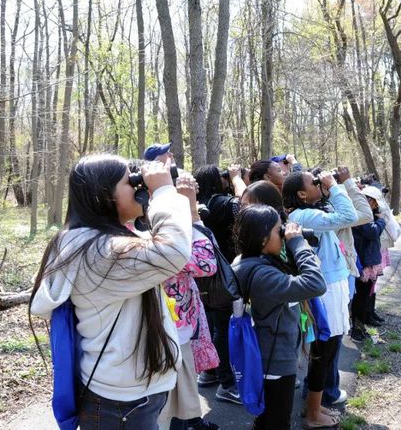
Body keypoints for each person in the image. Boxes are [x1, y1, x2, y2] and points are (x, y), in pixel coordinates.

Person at [30, 155, 192, 429]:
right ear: (105, 196)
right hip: (122, 404)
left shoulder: (92, 242)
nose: (138, 186)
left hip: (125, 396)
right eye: (131, 182)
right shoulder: (97, 253)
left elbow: (153, 245)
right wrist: (164, 191)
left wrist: (150, 200)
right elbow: (173, 251)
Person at [232, 205, 326, 430]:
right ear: (263, 238)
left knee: (267, 418)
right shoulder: (263, 275)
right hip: (274, 362)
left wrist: (294, 246)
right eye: (278, 230)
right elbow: (315, 283)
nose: (283, 234)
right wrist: (297, 243)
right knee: (277, 421)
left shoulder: (247, 261)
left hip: (267, 355)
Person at [282, 171, 358, 429]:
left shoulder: (311, 211)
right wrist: (335, 186)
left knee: (330, 348)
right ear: (302, 194)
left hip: (331, 285)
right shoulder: (303, 216)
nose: (320, 184)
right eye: (314, 183)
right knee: (323, 351)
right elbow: (349, 216)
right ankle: (312, 414)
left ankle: (316, 406)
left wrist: (329, 190)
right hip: (325, 289)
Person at [159, 174, 220, 430]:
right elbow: (207, 261)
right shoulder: (157, 234)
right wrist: (191, 211)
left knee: (180, 400)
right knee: (170, 406)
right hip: (170, 330)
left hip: (178, 324)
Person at [193, 164, 246, 404]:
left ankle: (209, 371)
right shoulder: (223, 203)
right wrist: (236, 179)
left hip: (201, 274)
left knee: (210, 323)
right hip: (224, 273)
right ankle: (226, 383)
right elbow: (243, 207)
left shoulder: (193, 206)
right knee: (222, 327)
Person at [351, 186, 387, 340]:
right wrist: (381, 222)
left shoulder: (369, 215)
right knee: (360, 296)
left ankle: (361, 325)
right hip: (362, 261)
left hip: (369, 260)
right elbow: (371, 232)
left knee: (365, 295)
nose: (372, 204)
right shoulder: (360, 215)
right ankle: (357, 330)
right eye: (370, 200)